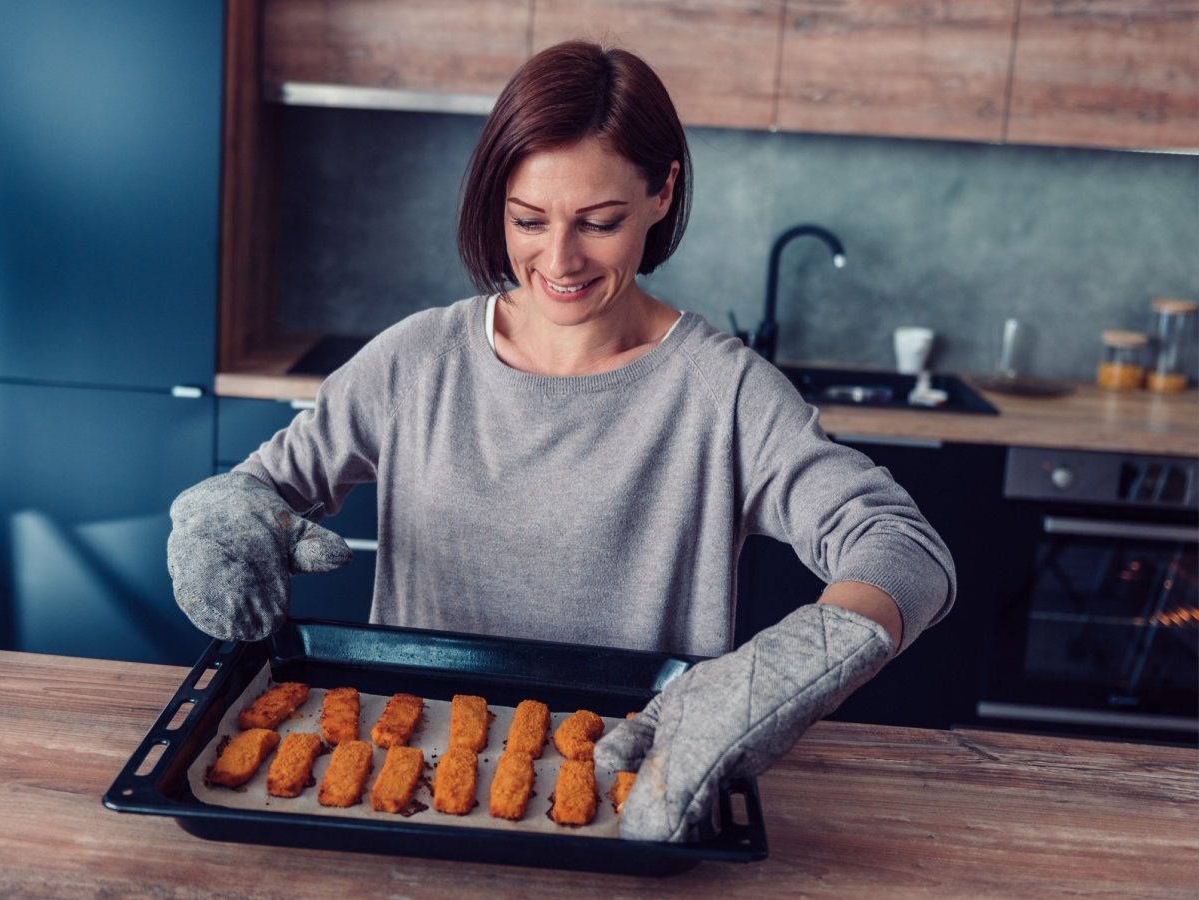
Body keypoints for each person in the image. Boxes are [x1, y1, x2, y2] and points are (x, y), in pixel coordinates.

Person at [167, 41, 955, 843]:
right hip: (410, 811)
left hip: (644, 794)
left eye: (600, 222)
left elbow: (903, 547)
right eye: (528, 220)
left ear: (661, 194)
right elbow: (261, 490)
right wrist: (221, 516)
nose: (560, 259)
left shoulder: (724, 393)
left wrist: (794, 662)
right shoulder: (416, 360)